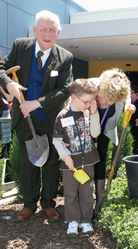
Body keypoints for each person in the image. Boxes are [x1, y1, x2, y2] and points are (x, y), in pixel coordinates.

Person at [0, 10, 73, 220]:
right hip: (23, 118)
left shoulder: (65, 57)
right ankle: (29, 204)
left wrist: (36, 103)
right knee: (28, 163)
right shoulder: (21, 46)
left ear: (57, 32)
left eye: (52, 30)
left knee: (50, 163)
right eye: (43, 29)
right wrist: (9, 83)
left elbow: (64, 90)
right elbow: (1, 68)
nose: (47, 34)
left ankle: (48, 204)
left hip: (49, 119)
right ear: (35, 30)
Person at [53, 79, 100, 236]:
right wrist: (66, 157)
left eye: (91, 101)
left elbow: (95, 134)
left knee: (87, 192)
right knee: (71, 193)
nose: (88, 104)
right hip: (70, 163)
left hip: (88, 161)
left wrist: (94, 114)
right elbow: (57, 141)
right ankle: (73, 220)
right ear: (73, 97)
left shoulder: (89, 113)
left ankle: (86, 220)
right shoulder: (62, 115)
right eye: (86, 101)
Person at [90, 68, 135, 202]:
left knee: (101, 161)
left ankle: (99, 199)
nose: (107, 103)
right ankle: (84, 198)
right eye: (105, 98)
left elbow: (126, 95)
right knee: (86, 162)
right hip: (86, 131)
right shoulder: (89, 86)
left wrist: (129, 105)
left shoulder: (117, 92)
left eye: (112, 101)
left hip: (105, 131)